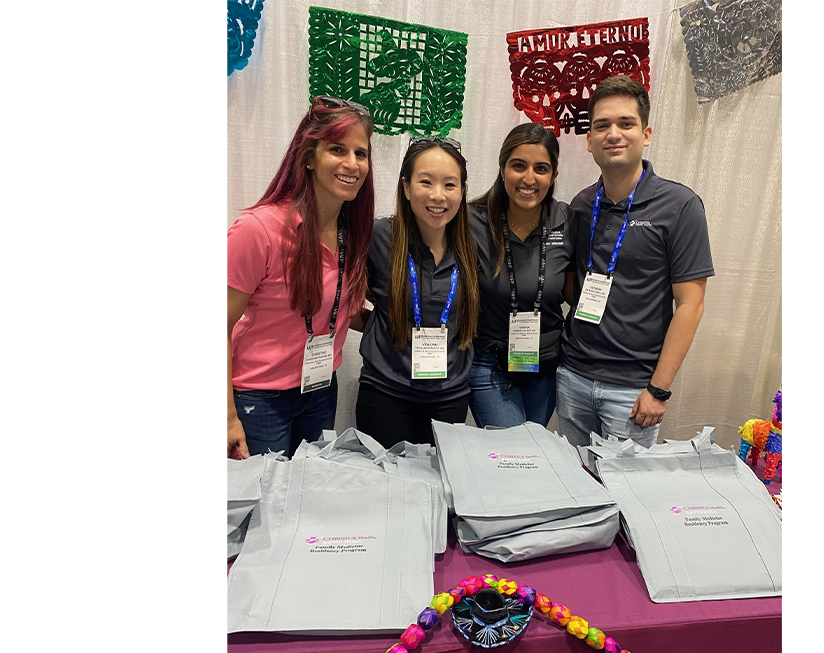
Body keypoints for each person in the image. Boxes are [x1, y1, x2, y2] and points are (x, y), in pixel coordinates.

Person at [556, 75, 715, 448]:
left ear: (645, 134)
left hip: (633, 392)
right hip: (573, 376)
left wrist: (658, 389)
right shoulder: (579, 205)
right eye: (602, 126)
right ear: (589, 140)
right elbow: (571, 285)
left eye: (625, 123)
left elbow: (690, 305)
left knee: (626, 497)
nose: (614, 133)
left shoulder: (680, 206)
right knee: (578, 488)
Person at [227, 96, 374, 459]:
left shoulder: (351, 232)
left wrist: (401, 331)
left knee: (306, 498)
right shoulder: (259, 229)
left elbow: (339, 311)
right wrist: (227, 417)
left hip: (321, 389)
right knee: (260, 508)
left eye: (361, 153)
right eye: (337, 149)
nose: (352, 164)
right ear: (308, 157)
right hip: (259, 400)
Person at [354, 138, 479, 448]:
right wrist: (377, 323)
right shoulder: (379, 237)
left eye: (450, 185)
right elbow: (339, 295)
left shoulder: (473, 245)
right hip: (385, 395)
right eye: (426, 182)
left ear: (462, 191)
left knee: (437, 488)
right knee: (386, 489)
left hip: (449, 397)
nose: (438, 195)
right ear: (407, 188)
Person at [468, 123, 575, 428]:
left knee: (532, 456)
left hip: (546, 363)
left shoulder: (566, 220)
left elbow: (572, 290)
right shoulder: (470, 220)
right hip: (489, 362)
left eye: (541, 168)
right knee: (511, 452)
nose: (529, 179)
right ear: (502, 170)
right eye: (518, 166)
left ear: (553, 175)